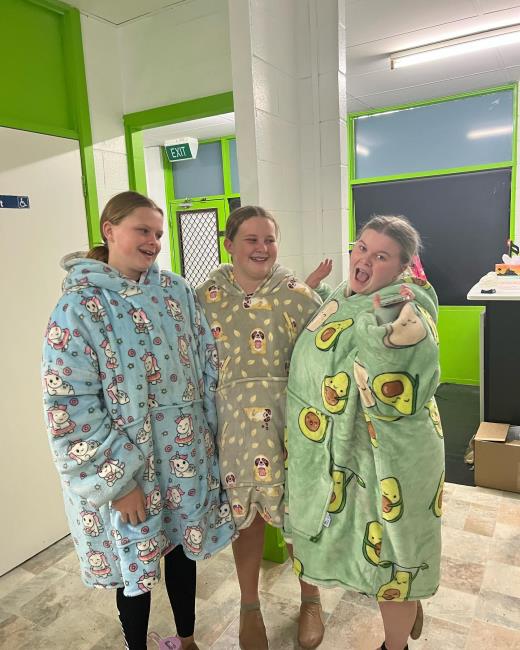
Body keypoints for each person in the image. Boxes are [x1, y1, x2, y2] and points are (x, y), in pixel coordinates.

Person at [41, 191, 235, 650]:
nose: (153, 242)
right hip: (130, 473)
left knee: (183, 554)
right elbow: (68, 407)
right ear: (110, 230)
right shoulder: (77, 308)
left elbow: (207, 363)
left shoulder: (175, 291)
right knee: (136, 570)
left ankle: (187, 641)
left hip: (184, 460)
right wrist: (119, 480)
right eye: (142, 230)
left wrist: (210, 443)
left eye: (158, 234)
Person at [285, 215, 444, 650]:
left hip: (386, 461)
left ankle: (396, 643)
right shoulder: (344, 293)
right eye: (361, 247)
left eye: (381, 256)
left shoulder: (405, 305)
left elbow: (401, 377)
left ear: (403, 267)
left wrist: (382, 333)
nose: (364, 260)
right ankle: (404, 607)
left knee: (393, 559)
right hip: (339, 458)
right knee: (366, 552)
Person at [196, 206, 330, 650]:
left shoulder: (297, 295)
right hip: (233, 427)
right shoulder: (205, 298)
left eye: (269, 239)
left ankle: (311, 598)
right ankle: (249, 606)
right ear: (229, 244)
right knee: (246, 520)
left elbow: (328, 354)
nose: (262, 248)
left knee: (298, 518)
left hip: (290, 426)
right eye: (251, 239)